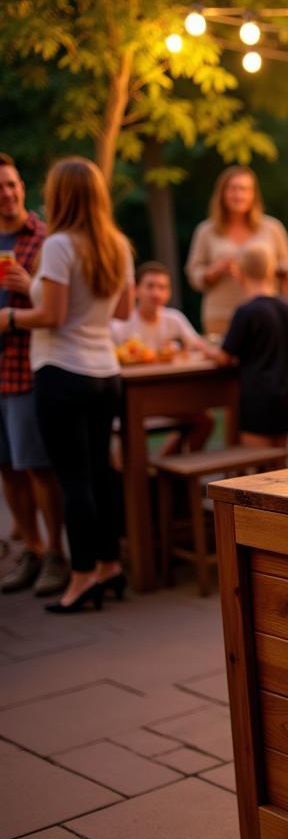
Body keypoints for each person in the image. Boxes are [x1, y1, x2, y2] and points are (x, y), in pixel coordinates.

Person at [5, 157, 134, 613]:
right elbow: (121, 312)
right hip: (105, 373)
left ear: (61, 195)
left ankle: (81, 577)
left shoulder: (59, 245)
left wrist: (9, 316)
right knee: (99, 473)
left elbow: (53, 316)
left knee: (73, 479)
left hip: (61, 371)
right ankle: (109, 566)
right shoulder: (117, 244)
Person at [0, 153, 69, 597]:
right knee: (7, 468)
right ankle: (32, 548)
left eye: (11, 184)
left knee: (39, 466)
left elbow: (60, 307)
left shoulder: (46, 239)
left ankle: (58, 555)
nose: (7, 194)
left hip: (26, 370)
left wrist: (30, 288)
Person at [112, 261, 217, 454]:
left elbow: (197, 345)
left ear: (168, 292)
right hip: (133, 399)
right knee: (130, 428)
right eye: (150, 286)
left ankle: (168, 470)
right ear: (136, 290)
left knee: (204, 421)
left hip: (169, 395)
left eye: (162, 287)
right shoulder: (121, 324)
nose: (156, 293)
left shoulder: (173, 318)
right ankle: (132, 478)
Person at [185, 166, 288, 336]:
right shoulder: (206, 231)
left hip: (266, 313)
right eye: (233, 189)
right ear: (222, 194)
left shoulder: (272, 228)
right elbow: (193, 273)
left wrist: (261, 268)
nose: (238, 195)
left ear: (253, 195)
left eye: (244, 189)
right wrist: (214, 271)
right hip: (221, 315)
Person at [216, 244, 288, 449]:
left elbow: (224, 357)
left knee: (257, 468)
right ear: (271, 271)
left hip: (258, 398)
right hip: (287, 395)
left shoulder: (245, 312)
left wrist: (204, 349)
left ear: (239, 273)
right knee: (281, 463)